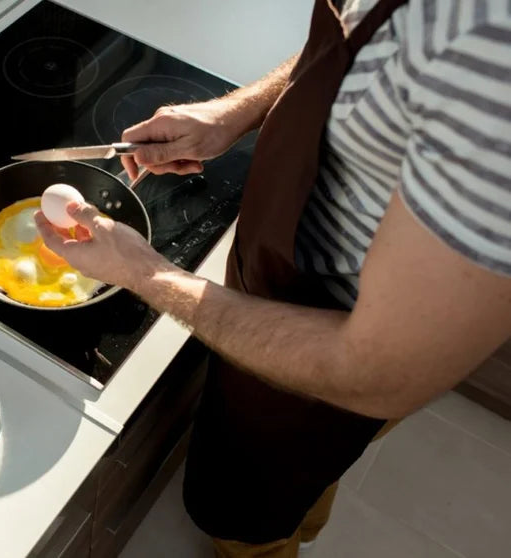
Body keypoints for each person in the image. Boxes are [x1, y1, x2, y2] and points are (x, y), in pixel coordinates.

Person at [36, 0, 511, 556]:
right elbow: (349, 53)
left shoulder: (493, 57)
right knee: (302, 486)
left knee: (246, 517)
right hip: (281, 270)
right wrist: (232, 114)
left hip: (331, 345)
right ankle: (303, 522)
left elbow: (381, 375)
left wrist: (144, 272)